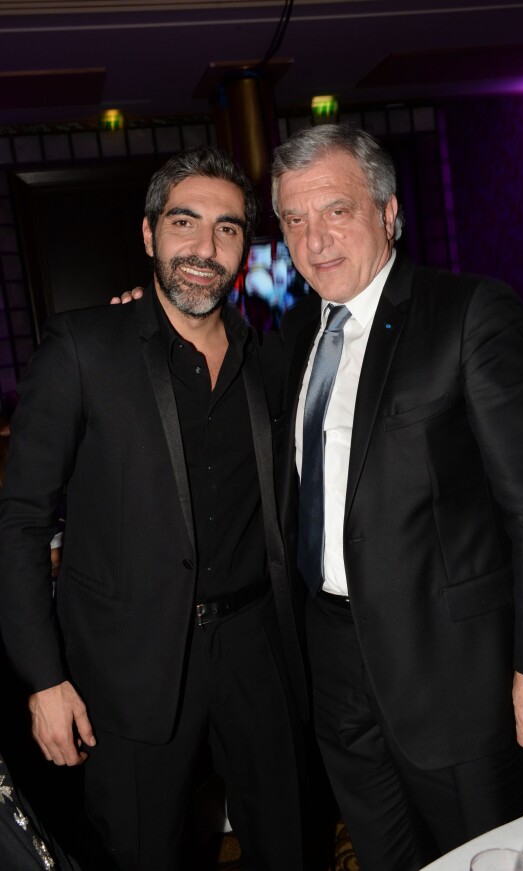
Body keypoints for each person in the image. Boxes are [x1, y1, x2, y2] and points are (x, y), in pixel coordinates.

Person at [269, 124, 523, 869]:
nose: (314, 240)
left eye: (336, 210)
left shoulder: (470, 313)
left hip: (456, 675)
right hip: (336, 666)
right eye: (293, 219)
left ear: (389, 213)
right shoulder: (287, 340)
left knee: (489, 859)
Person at [0, 146, 310, 871]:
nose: (205, 248)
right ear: (148, 235)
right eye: (185, 222)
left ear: (245, 247)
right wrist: (45, 680)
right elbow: (19, 525)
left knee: (289, 840)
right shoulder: (83, 348)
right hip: (124, 660)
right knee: (143, 851)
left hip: (256, 649)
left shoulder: (268, 361)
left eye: (228, 229)